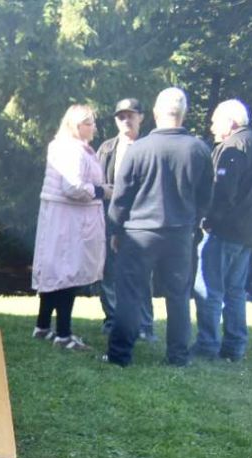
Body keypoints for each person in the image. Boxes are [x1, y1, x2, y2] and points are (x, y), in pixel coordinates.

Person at [104, 87, 212, 367]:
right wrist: (193, 223)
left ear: (154, 114)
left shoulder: (139, 149)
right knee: (178, 296)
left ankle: (119, 356)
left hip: (139, 233)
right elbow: (205, 197)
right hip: (179, 234)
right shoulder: (200, 150)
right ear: (184, 113)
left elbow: (121, 197)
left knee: (130, 294)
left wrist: (114, 230)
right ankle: (177, 357)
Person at [193, 99, 252, 362]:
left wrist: (208, 220)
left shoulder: (233, 146)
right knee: (235, 290)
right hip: (249, 231)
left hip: (225, 229)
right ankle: (235, 347)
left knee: (209, 288)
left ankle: (207, 346)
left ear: (231, 122)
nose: (212, 125)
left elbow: (224, 190)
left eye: (216, 120)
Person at [30, 104, 105, 351]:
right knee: (67, 273)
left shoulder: (62, 146)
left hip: (61, 218)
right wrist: (102, 191)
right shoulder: (73, 150)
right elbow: (72, 187)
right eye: (90, 123)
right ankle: (63, 333)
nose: (94, 127)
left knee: (56, 272)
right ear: (77, 125)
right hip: (69, 220)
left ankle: (43, 326)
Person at [95, 98, 155, 341]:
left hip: (142, 220)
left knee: (142, 274)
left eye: (131, 115)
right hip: (110, 219)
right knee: (108, 273)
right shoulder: (107, 148)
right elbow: (95, 182)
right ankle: (112, 319)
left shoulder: (151, 146)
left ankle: (144, 325)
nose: (126, 120)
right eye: (121, 116)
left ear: (141, 117)